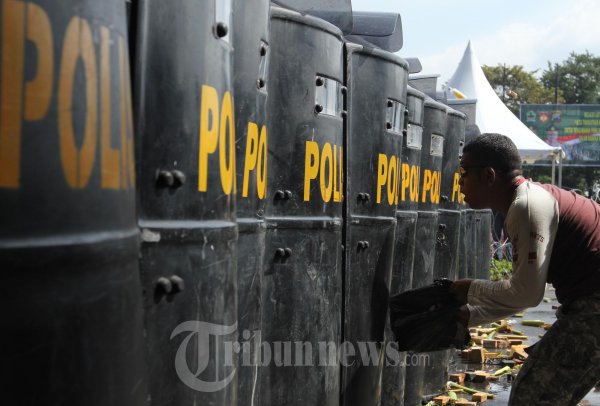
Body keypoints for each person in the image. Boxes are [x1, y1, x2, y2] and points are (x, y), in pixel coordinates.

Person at [449, 133, 600, 405]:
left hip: (594, 305)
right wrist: (470, 315)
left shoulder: (526, 207)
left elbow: (526, 294)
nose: (459, 181)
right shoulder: (524, 202)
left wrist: (469, 289)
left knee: (532, 396)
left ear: (489, 175)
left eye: (464, 172)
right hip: (588, 301)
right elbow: (522, 293)